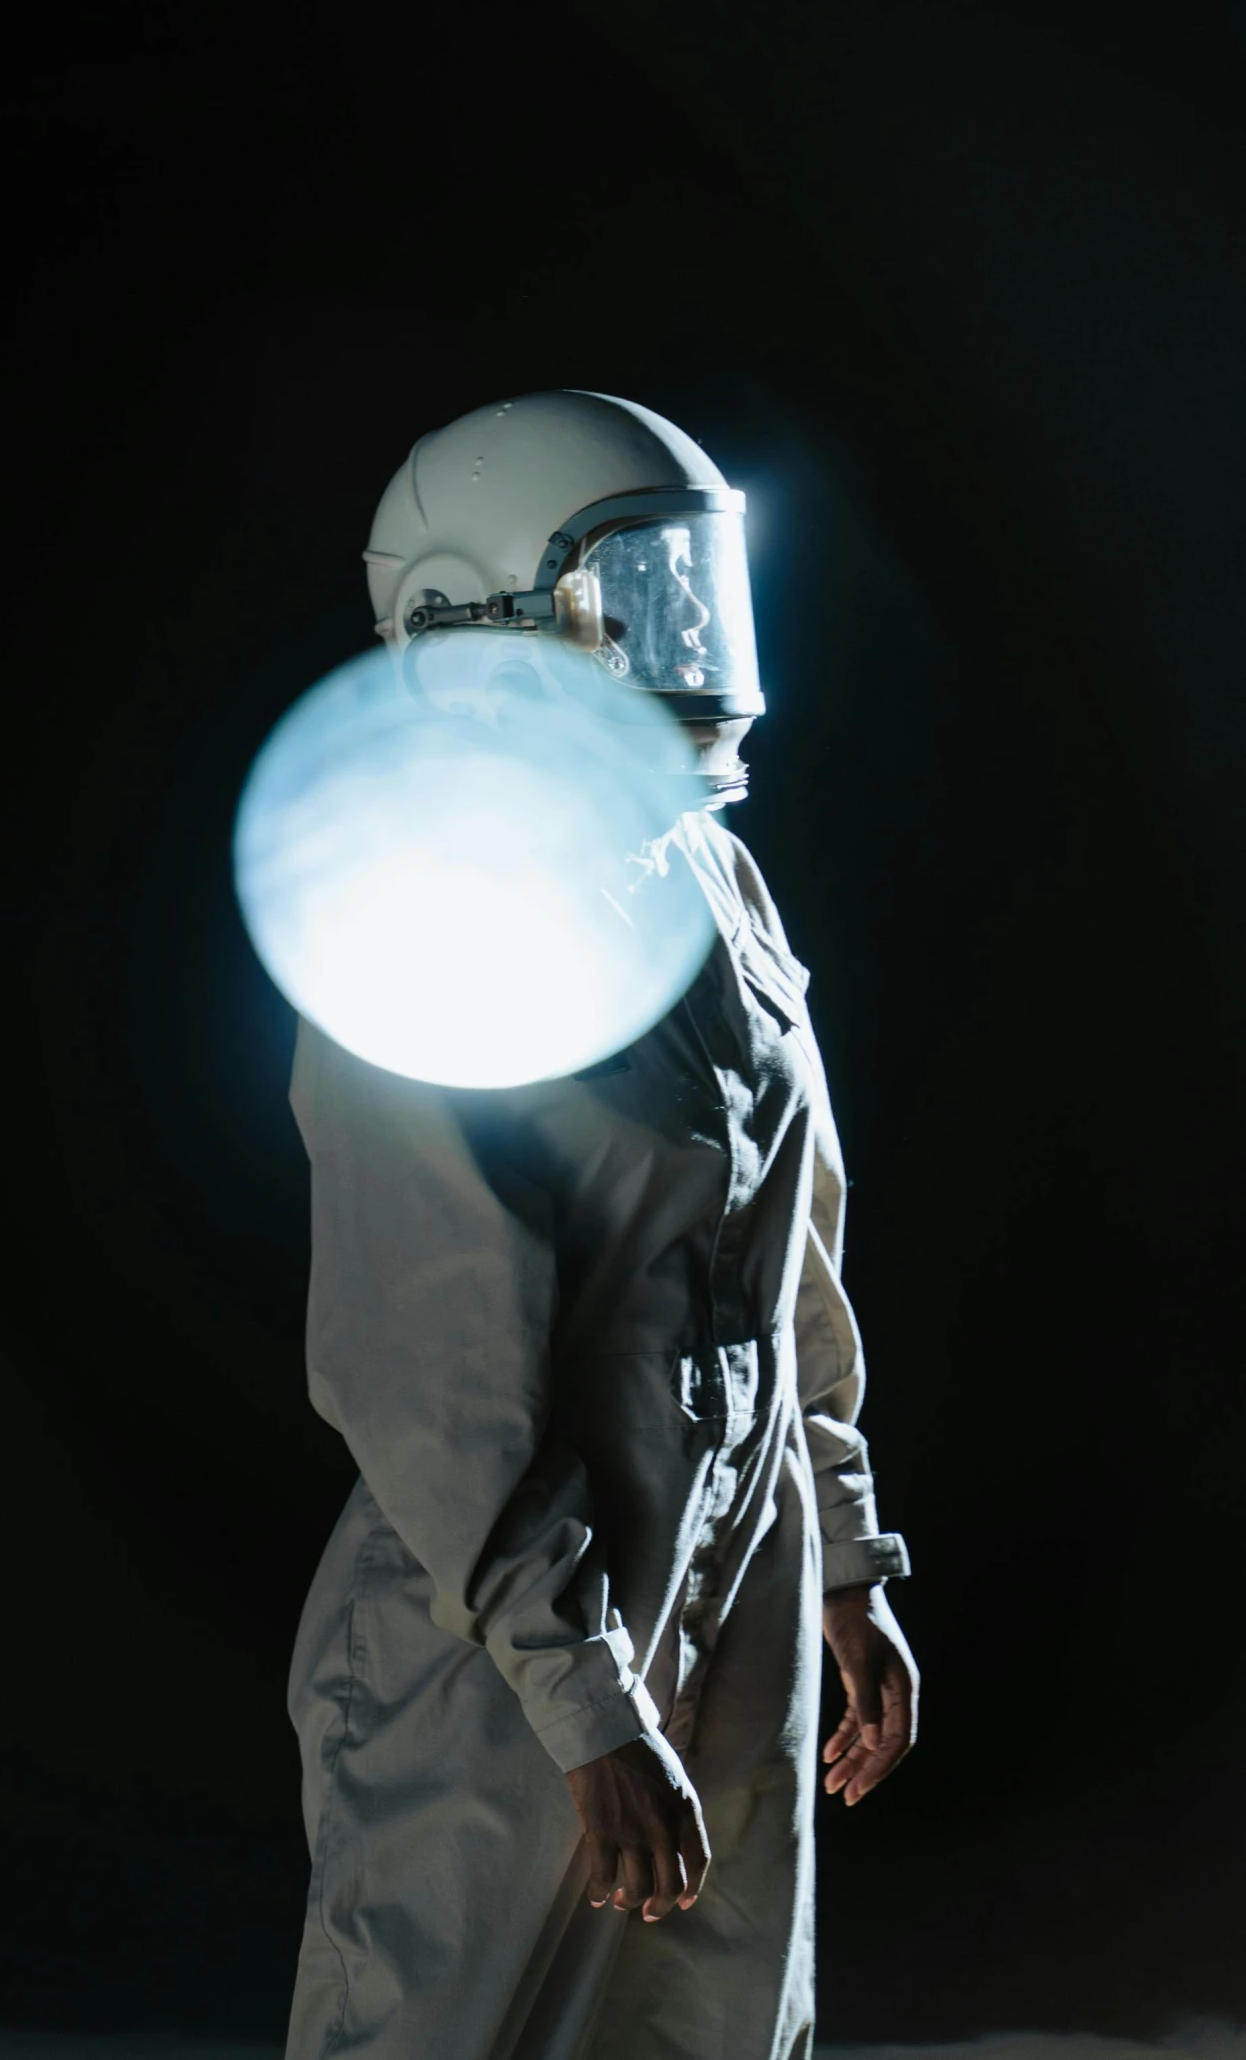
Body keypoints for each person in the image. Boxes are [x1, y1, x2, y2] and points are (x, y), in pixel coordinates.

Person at [285, 391, 917, 2060]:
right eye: (625, 597)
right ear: (463, 620)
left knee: (709, 2026)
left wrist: (840, 1553)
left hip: (741, 1551)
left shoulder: (705, 874)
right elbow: (429, 1365)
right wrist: (578, 1699)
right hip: (505, 1612)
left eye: (690, 588)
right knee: (448, 2024)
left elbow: (793, 1244)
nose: (679, 640)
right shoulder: (415, 908)